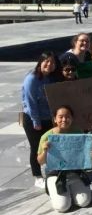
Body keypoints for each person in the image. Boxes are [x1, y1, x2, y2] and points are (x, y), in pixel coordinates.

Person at [37, 105, 92, 213]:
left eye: (67, 117)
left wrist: (90, 155)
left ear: (72, 118)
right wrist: (45, 150)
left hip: (74, 171)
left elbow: (84, 154)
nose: (64, 119)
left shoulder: (78, 132)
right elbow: (40, 161)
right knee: (63, 207)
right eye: (60, 117)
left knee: (84, 202)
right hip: (55, 174)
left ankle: (70, 190)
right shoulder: (47, 136)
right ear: (55, 119)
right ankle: (53, 190)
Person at [22, 51, 60, 188]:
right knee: (36, 147)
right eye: (46, 61)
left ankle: (52, 171)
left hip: (48, 118)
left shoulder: (50, 78)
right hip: (33, 119)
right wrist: (36, 121)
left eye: (52, 62)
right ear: (40, 62)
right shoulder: (31, 79)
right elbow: (30, 103)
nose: (49, 64)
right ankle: (37, 176)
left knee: (50, 145)